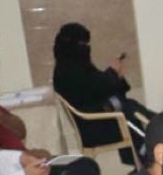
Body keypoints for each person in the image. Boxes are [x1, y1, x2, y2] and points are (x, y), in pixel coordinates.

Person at [52, 22, 153, 166]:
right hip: (94, 128)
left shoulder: (73, 65)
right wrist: (113, 73)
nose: (87, 47)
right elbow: (97, 88)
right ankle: (147, 158)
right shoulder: (69, 71)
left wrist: (116, 75)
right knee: (131, 113)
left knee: (131, 107)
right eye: (83, 44)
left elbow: (98, 84)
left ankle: (144, 156)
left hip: (98, 121)